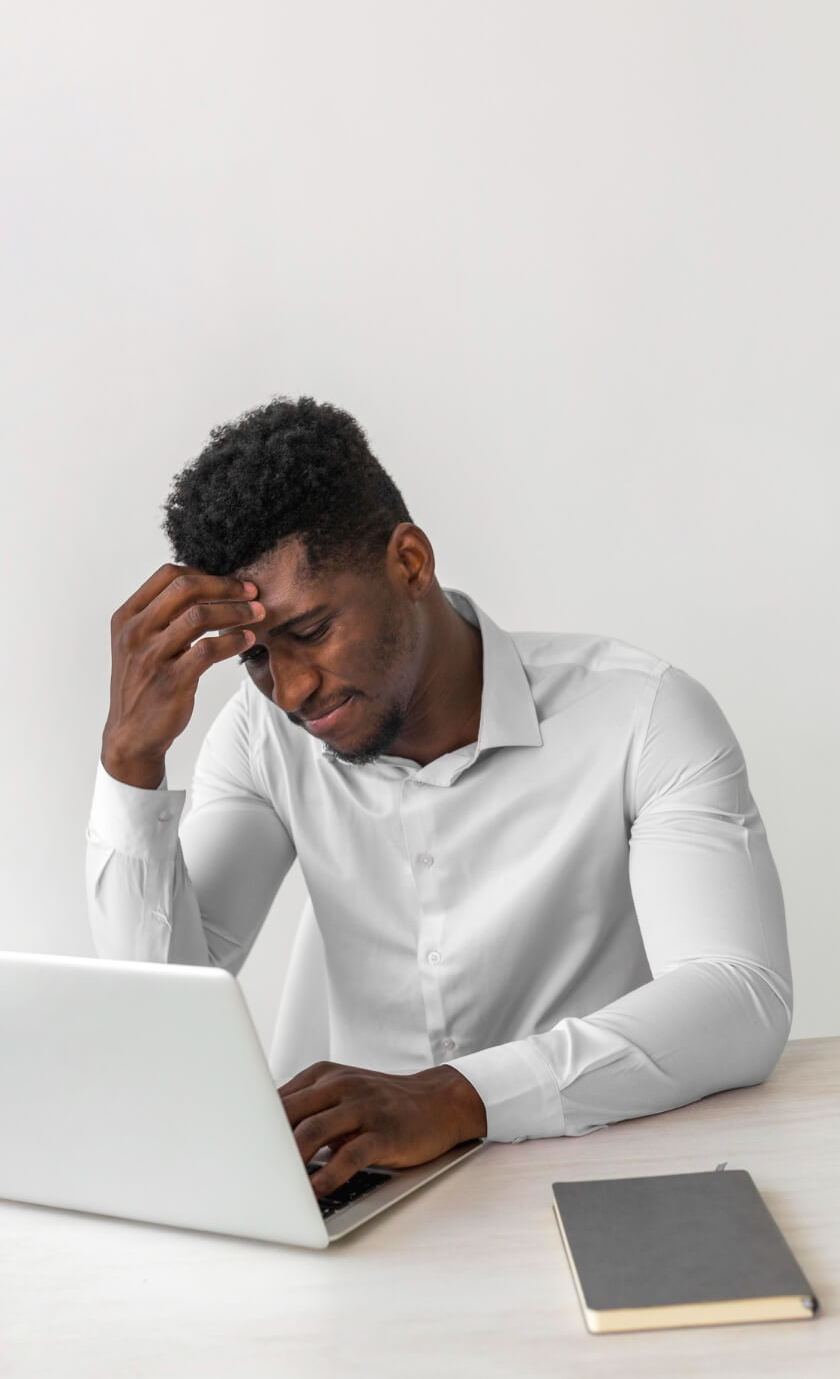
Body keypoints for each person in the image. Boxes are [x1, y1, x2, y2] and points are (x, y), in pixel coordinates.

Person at [85, 396, 792, 1201]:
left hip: (596, 1180)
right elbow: (166, 1011)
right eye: (255, 659)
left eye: (311, 632)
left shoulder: (641, 715)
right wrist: (131, 761)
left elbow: (741, 998)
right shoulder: (261, 737)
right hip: (351, 1199)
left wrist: (458, 1096)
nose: (290, 690)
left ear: (410, 563)